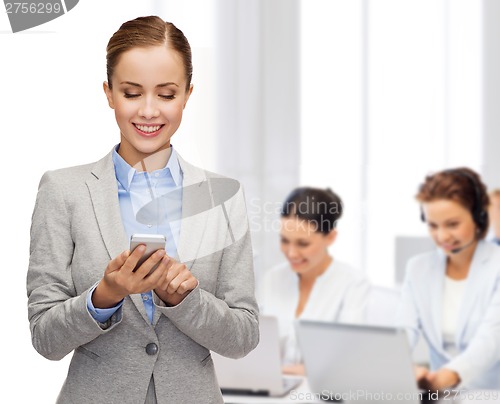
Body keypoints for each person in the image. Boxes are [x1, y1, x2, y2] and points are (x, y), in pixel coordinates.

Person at [26, 16, 259, 404]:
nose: (149, 111)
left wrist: (185, 300)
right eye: (132, 93)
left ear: (187, 94)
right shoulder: (62, 191)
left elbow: (244, 337)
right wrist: (105, 294)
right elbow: (45, 338)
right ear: (109, 93)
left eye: (166, 95)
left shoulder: (222, 197)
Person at [397, 167, 500, 390]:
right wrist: (397, 367)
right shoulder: (418, 268)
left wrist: (445, 377)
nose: (442, 236)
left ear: (479, 218)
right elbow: (404, 330)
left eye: (452, 224)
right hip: (439, 396)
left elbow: (491, 340)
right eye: (433, 225)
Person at [261, 187, 370, 375]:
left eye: (303, 244)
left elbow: (350, 359)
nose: (292, 253)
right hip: (271, 389)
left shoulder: (353, 283)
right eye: (285, 241)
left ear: (330, 237)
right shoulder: (272, 279)